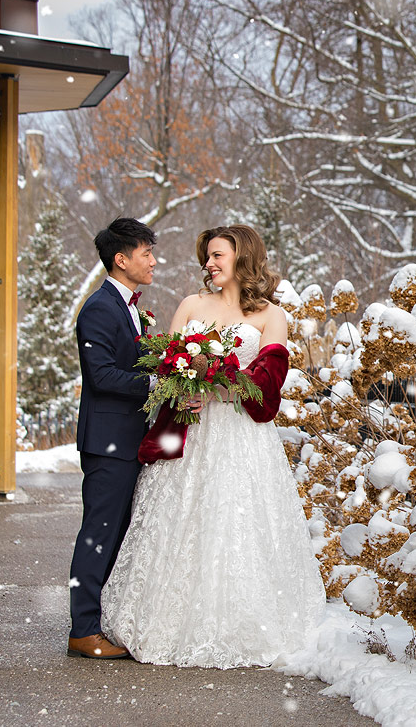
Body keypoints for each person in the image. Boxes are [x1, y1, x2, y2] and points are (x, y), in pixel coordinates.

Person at [100, 225, 324, 668]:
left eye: (218, 255)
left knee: (234, 520)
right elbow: (166, 366)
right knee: (180, 521)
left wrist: (221, 389)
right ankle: (166, 618)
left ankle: (237, 621)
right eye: (207, 257)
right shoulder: (190, 305)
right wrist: (182, 388)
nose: (209, 264)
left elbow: (269, 386)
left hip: (240, 437)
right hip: (189, 429)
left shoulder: (270, 316)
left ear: (243, 258)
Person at [69, 218, 158, 660]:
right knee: (98, 533)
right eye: (146, 253)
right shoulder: (100, 308)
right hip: (108, 441)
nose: (153, 261)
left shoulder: (129, 307)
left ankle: (98, 622)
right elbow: (101, 376)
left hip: (126, 439)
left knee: (117, 530)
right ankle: (83, 630)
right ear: (121, 260)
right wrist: (159, 383)